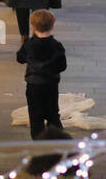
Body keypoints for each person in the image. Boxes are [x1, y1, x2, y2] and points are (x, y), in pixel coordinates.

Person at [17, 9, 68, 137]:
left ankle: (39, 143)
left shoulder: (28, 44)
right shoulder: (56, 45)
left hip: (33, 85)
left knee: (35, 116)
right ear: (52, 25)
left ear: (32, 26)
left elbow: (20, 58)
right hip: (51, 84)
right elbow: (62, 66)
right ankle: (57, 138)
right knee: (53, 114)